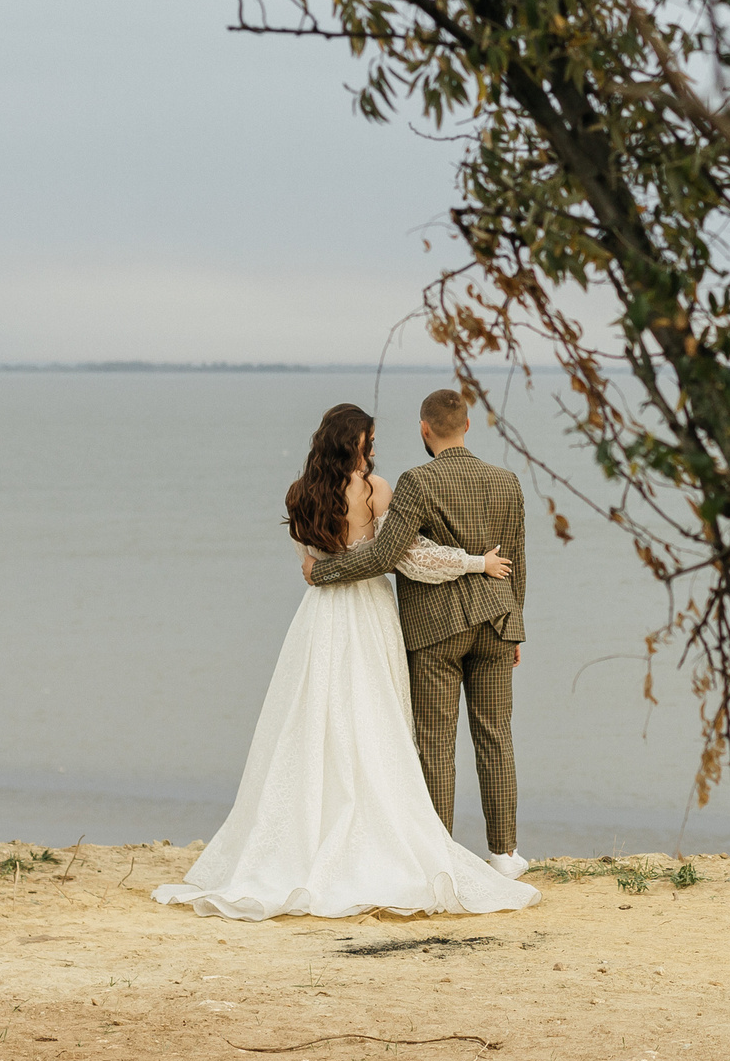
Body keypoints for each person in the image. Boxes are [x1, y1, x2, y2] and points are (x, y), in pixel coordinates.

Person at [151, 403, 538, 920]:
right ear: (358, 443)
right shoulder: (378, 491)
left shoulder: (299, 496)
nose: (375, 448)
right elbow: (409, 557)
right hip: (374, 614)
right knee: (382, 723)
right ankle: (486, 850)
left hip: (319, 618)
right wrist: (477, 563)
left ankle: (315, 832)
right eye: (370, 440)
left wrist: (324, 572)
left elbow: (309, 565)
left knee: (317, 723)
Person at [304, 387, 531, 879]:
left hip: (436, 629)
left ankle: (437, 850)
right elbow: (515, 560)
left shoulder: (416, 481)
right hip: (495, 622)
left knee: (434, 741)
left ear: (424, 429)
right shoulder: (507, 481)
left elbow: (389, 557)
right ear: (468, 426)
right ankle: (505, 853)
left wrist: (321, 573)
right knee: (496, 736)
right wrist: (514, 628)